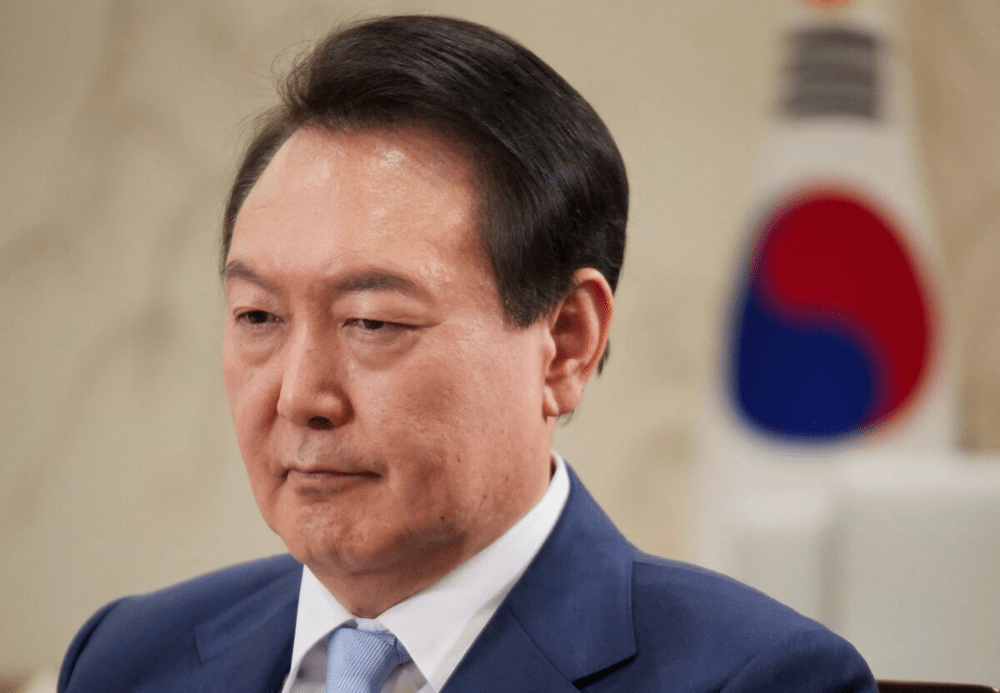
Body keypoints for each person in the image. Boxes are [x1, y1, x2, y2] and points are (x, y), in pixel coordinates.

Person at [58, 14, 876, 693]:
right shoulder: (128, 658)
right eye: (258, 315)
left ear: (566, 343)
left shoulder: (759, 678)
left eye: (372, 321)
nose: (300, 396)